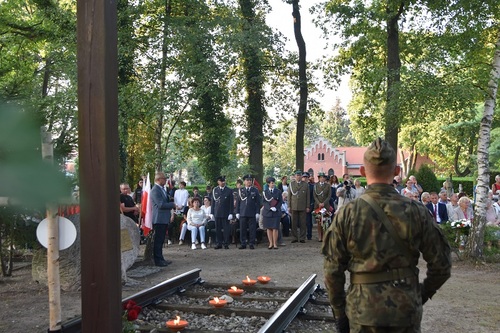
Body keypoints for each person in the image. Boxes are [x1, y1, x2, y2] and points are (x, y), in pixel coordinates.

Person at [322, 137, 451, 333]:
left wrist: (340, 313)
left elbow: (332, 272)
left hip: (363, 311)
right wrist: (419, 294)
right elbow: (442, 265)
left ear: (363, 172)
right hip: (405, 309)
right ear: (397, 171)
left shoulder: (347, 214)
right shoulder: (416, 211)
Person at [150, 172, 176, 267]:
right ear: (158, 179)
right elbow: (161, 204)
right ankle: (158, 260)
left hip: (163, 218)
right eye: (164, 179)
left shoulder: (162, 189)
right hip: (159, 219)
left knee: (161, 240)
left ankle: (161, 258)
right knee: (158, 240)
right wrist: (172, 205)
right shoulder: (155, 190)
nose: (166, 180)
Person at [236, 174, 261, 249]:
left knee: (252, 229)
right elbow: (238, 202)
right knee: (242, 229)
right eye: (247, 180)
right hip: (243, 212)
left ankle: (251, 243)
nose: (249, 181)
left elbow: (258, 202)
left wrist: (257, 212)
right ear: (244, 182)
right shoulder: (241, 190)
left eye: (250, 180)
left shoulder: (255, 190)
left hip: (252, 212)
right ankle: (243, 243)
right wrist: (237, 212)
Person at [287, 170, 310, 243]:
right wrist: (289, 206)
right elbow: (289, 196)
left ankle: (302, 237)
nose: (298, 177)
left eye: (300, 175)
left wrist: (307, 206)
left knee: (303, 223)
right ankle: (294, 237)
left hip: (303, 206)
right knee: (294, 223)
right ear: (295, 176)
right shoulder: (291, 184)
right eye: (297, 175)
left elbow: (308, 196)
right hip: (294, 206)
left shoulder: (305, 184)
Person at [212, 176, 234, 249]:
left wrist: (231, 213)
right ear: (218, 182)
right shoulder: (215, 190)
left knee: (226, 229)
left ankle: (226, 243)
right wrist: (212, 213)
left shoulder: (229, 190)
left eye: (224, 181)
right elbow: (213, 202)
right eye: (221, 181)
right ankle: (219, 243)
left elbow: (231, 203)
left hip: (226, 213)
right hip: (217, 212)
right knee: (218, 229)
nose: (223, 182)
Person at [262, 177, 283, 249]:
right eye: (271, 183)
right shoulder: (265, 192)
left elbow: (280, 201)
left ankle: (275, 243)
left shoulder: (278, 191)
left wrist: (276, 208)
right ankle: (270, 243)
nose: (273, 184)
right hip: (267, 212)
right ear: (268, 184)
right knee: (269, 228)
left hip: (276, 212)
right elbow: (263, 202)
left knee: (275, 228)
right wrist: (269, 208)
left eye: (274, 183)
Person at [313, 172, 331, 241]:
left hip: (325, 206)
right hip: (318, 206)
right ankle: (319, 236)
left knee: (325, 222)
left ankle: (324, 236)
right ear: (319, 178)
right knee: (319, 222)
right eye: (321, 177)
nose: (322, 178)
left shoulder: (328, 186)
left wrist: (324, 203)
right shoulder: (315, 186)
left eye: (323, 177)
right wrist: (319, 203)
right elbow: (314, 196)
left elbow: (329, 196)